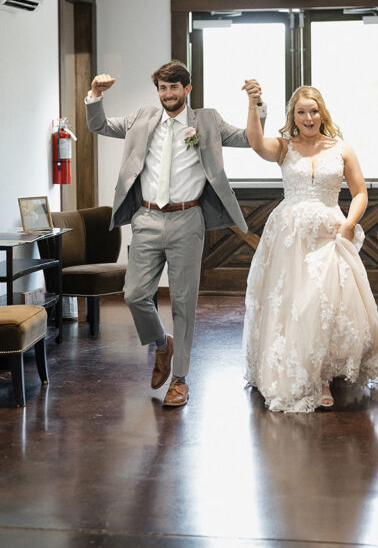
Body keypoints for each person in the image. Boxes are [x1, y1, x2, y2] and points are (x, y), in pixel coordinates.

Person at [86, 61, 265, 408]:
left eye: (174, 87)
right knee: (135, 294)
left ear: (187, 89)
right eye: (162, 88)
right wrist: (95, 95)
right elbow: (99, 125)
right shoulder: (142, 118)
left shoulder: (207, 122)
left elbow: (249, 139)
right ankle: (161, 344)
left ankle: (180, 380)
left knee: (184, 303)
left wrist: (255, 105)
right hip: (147, 218)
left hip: (188, 218)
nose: (168, 94)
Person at [240, 83, 378, 413]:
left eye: (313, 111)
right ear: (293, 115)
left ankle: (323, 373)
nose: (308, 117)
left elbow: (360, 192)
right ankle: (307, 374)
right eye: (301, 112)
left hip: (330, 235)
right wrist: (253, 103)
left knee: (326, 302)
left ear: (323, 113)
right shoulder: (284, 147)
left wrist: (349, 223)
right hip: (290, 238)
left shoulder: (341, 148)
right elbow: (255, 142)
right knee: (296, 304)